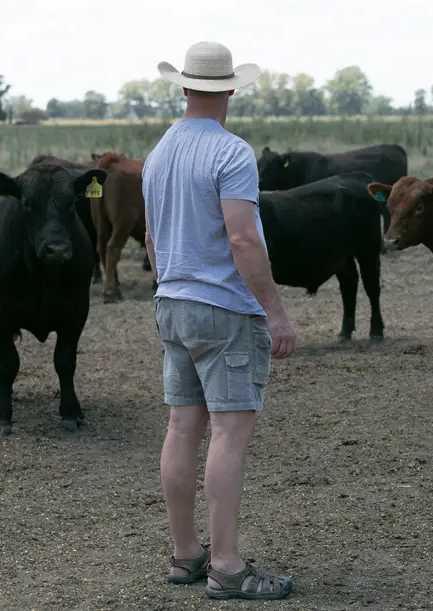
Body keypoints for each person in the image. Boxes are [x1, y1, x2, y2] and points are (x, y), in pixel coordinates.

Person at [142, 41, 297, 602]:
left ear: (184, 88)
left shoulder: (158, 153)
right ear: (230, 90)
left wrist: (168, 288)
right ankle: (227, 567)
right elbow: (241, 237)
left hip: (172, 303)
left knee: (182, 429)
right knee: (230, 433)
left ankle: (186, 555)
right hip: (224, 309)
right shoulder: (232, 153)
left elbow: (153, 239)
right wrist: (275, 313)